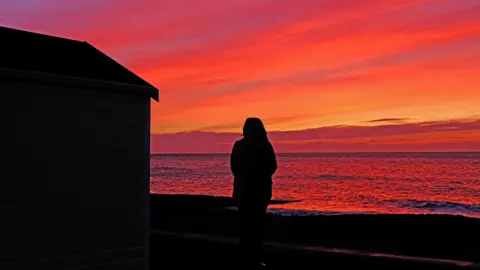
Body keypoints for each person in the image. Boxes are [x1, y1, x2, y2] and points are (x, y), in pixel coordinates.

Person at [230, 117, 277, 267]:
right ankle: (254, 258)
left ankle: (246, 257)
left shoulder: (239, 146)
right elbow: (272, 167)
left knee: (246, 226)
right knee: (256, 226)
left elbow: (234, 167)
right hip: (258, 192)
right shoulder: (265, 146)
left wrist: (244, 175)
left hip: (244, 191)